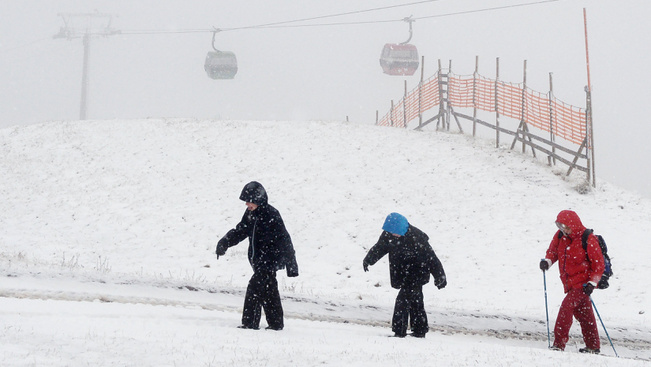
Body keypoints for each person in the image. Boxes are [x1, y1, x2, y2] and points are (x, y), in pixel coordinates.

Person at [216, 181, 299, 331]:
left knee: (254, 289)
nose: (247, 204)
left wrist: (291, 265)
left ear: (258, 199)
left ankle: (249, 324)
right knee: (269, 292)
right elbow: (240, 230)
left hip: (269, 261)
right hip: (258, 261)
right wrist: (225, 242)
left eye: (249, 201)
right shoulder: (251, 214)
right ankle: (276, 324)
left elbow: (285, 239)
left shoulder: (271, 215)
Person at [363, 213, 447, 338]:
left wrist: (439, 276)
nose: (393, 235)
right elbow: (380, 248)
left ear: (402, 229)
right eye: (391, 233)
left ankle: (399, 331)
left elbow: (431, 258)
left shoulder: (417, 237)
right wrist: (369, 260)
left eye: (395, 233)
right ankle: (419, 331)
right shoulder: (388, 234)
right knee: (416, 302)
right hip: (403, 273)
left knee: (402, 301)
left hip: (417, 273)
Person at [540, 209, 605, 354]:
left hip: (583, 284)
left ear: (574, 224)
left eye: (566, 226)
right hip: (569, 282)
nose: (564, 230)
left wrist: (592, 283)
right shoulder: (560, 236)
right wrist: (548, 261)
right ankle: (593, 346)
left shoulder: (588, 238)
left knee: (566, 308)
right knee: (584, 313)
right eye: (560, 226)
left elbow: (598, 264)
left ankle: (558, 345)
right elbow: (553, 251)